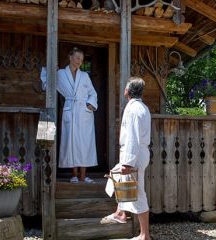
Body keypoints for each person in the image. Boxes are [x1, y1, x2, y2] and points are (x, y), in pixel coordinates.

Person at [102, 77, 151, 240]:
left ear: (127, 92)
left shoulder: (134, 109)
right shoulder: (141, 107)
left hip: (134, 155)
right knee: (118, 177)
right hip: (137, 154)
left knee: (137, 193)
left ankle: (144, 235)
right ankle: (120, 213)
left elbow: (133, 137)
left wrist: (128, 163)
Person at [40, 47, 98, 184]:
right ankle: (74, 175)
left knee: (85, 143)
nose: (79, 61)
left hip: (84, 113)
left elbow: (93, 93)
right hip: (70, 109)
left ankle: (84, 176)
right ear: (70, 57)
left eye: (81, 59)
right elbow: (46, 85)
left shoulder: (84, 76)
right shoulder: (60, 74)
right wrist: (50, 68)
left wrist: (90, 104)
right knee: (70, 142)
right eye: (77, 58)